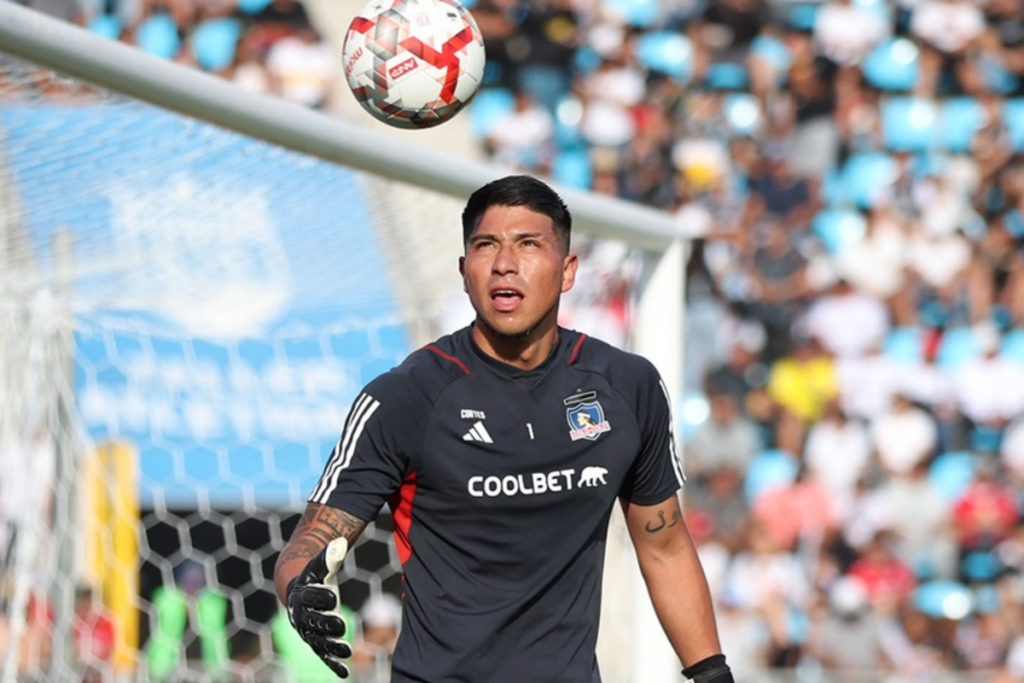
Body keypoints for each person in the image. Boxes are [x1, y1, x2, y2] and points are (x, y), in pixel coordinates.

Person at [274, 175, 731, 683]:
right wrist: (298, 587)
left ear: (568, 270)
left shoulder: (626, 386)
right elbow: (310, 540)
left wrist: (711, 673)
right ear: (465, 271)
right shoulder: (405, 397)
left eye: (529, 244)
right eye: (485, 245)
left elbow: (664, 546)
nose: (504, 264)